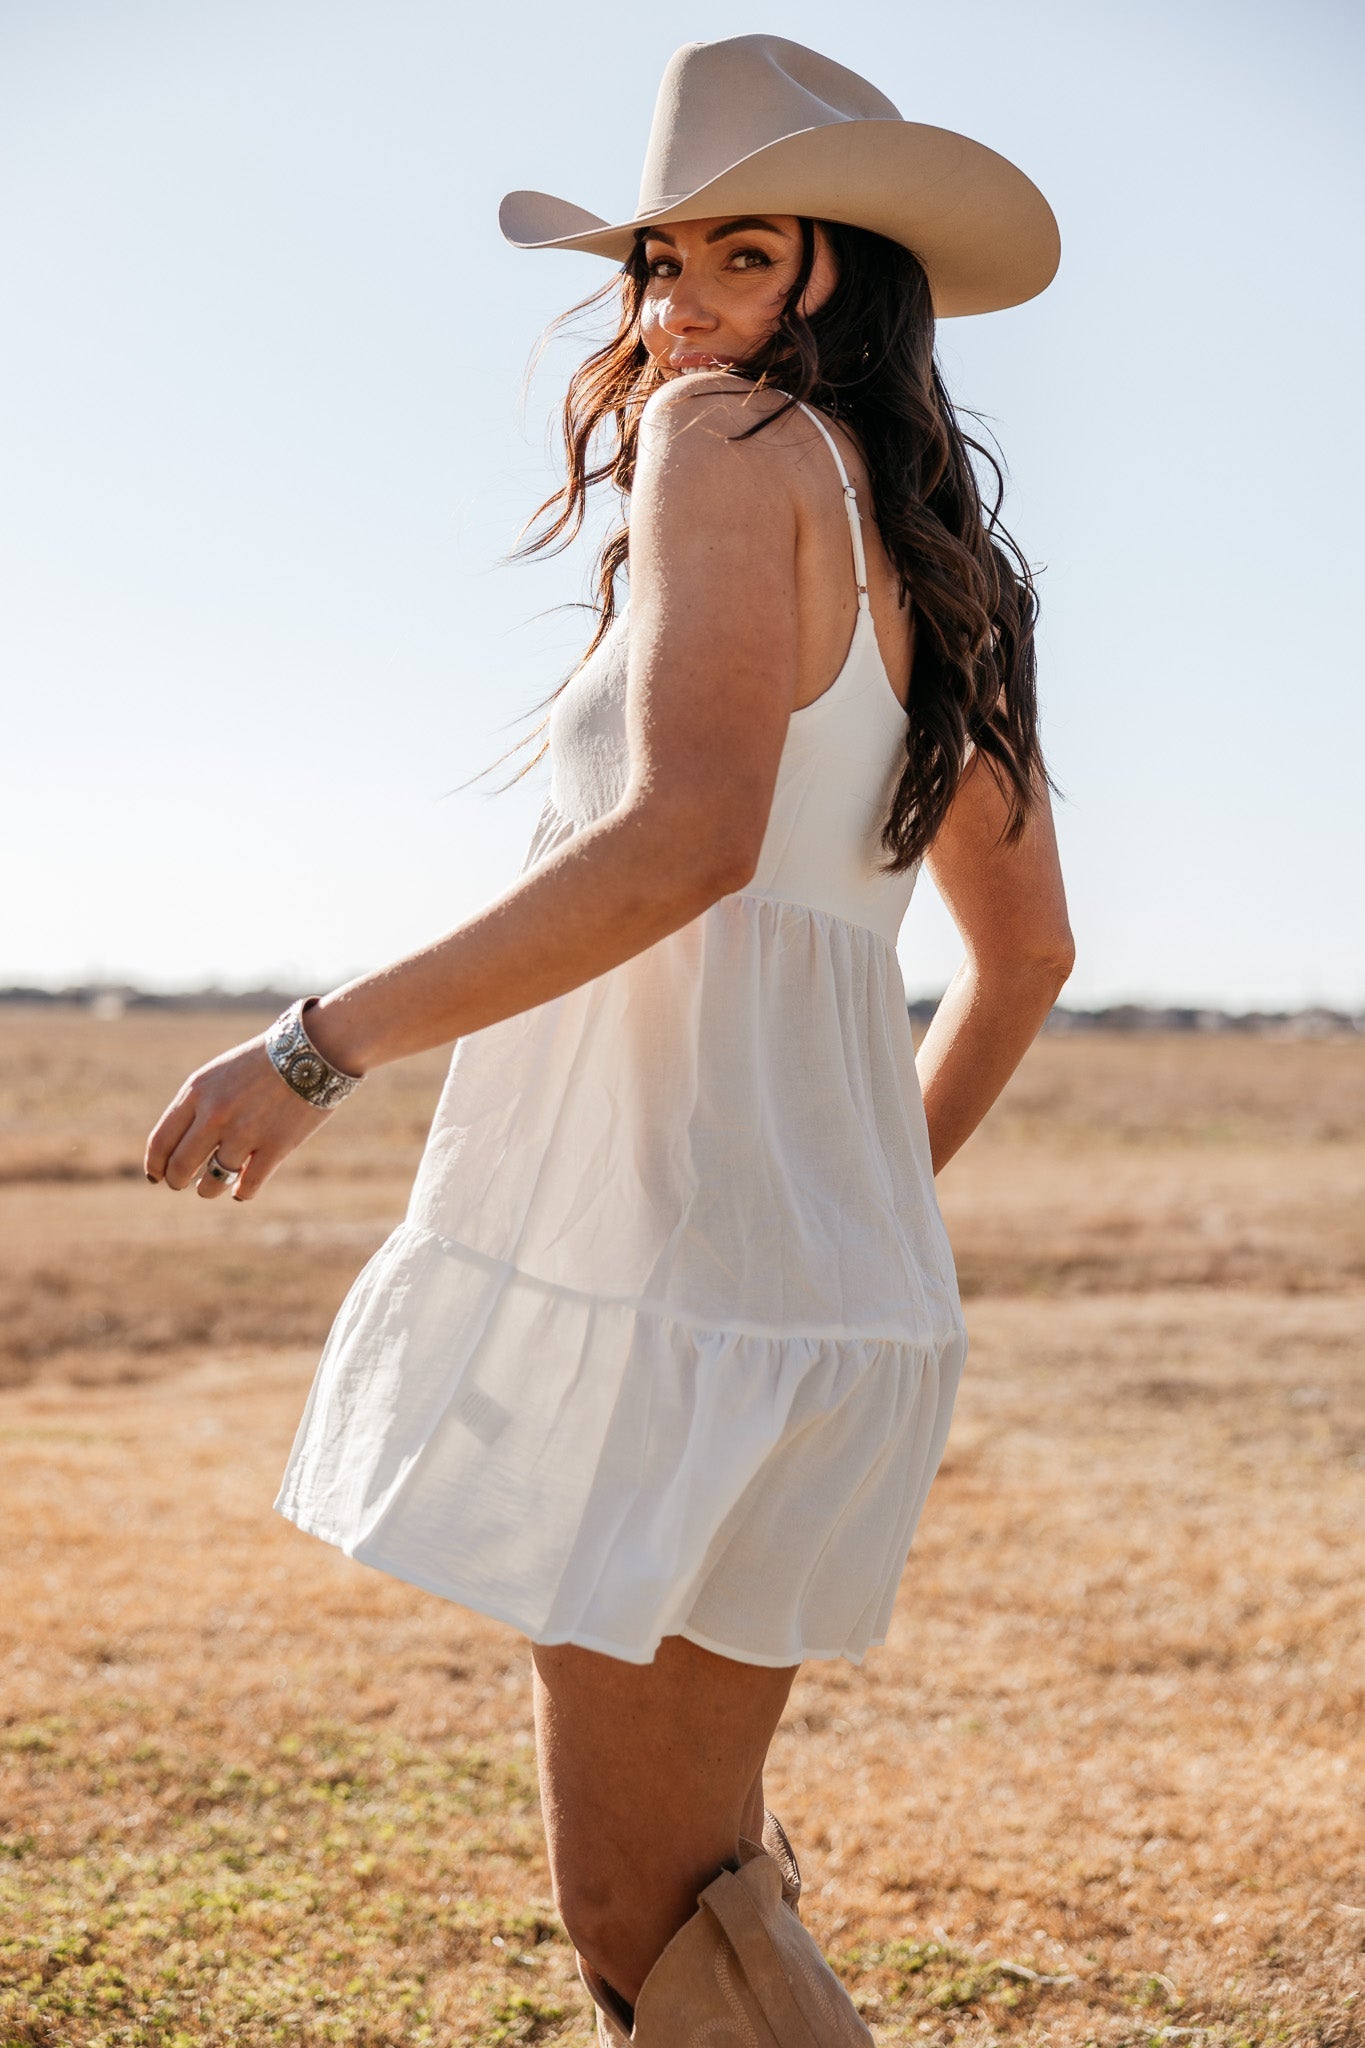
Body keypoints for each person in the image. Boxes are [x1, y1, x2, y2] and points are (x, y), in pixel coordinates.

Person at [145, 34, 1073, 2045]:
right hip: (801, 1292)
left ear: (852, 277)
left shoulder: (725, 449)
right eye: (658, 265)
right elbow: (1023, 957)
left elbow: (681, 840)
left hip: (689, 1283)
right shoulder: (933, 563)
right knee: (695, 1873)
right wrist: (847, 1204)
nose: (677, 313)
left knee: (642, 1904)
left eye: (739, 255)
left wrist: (313, 1049)